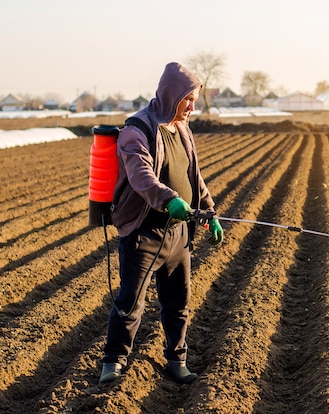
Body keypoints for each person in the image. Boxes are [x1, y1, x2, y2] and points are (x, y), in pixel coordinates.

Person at [99, 62, 224, 384]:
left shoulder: (182, 129)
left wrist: (209, 211)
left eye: (195, 100)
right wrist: (169, 200)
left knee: (178, 304)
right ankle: (113, 363)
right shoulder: (136, 130)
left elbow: (192, 174)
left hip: (178, 234)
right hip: (144, 233)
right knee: (130, 303)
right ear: (172, 95)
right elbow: (141, 176)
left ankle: (176, 360)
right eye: (188, 100)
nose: (193, 107)